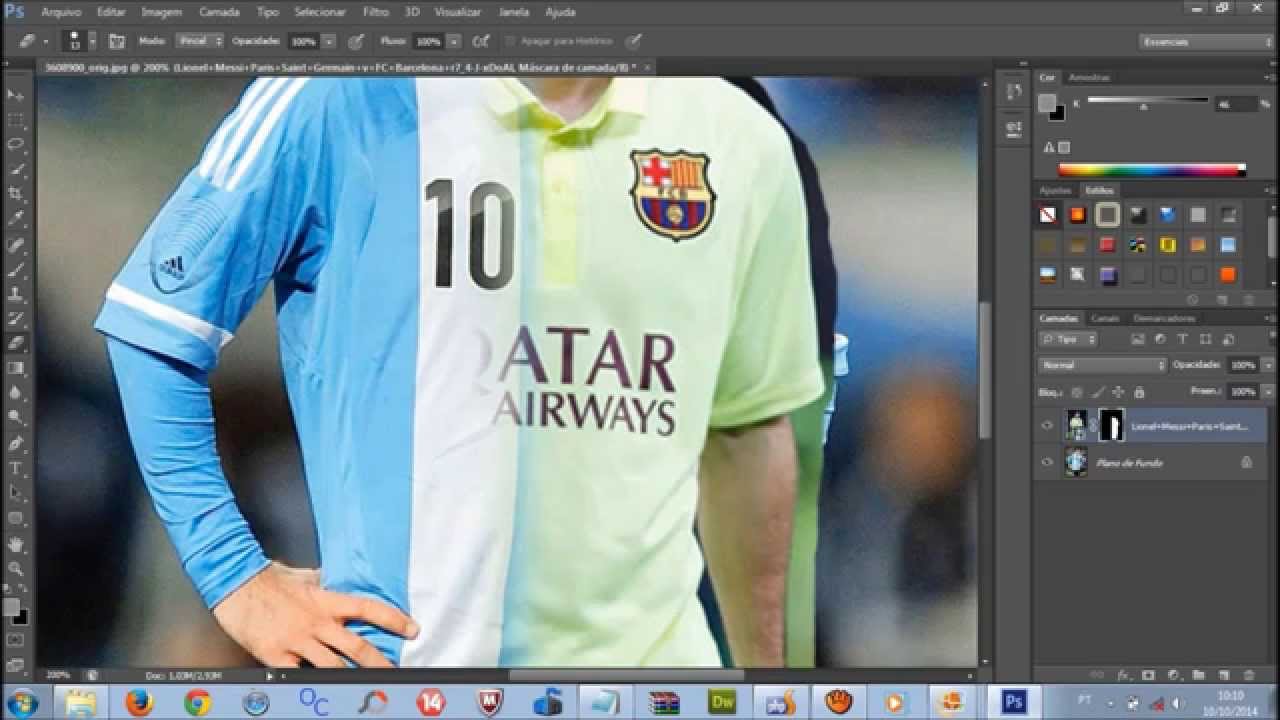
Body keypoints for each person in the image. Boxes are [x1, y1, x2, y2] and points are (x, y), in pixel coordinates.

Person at [97, 76, 823, 668]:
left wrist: (764, 686)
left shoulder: (739, 134)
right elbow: (152, 326)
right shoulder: (339, 95)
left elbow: (747, 430)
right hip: (416, 676)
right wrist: (235, 577)